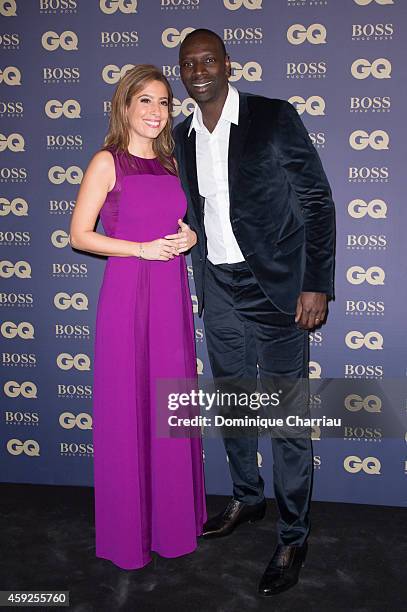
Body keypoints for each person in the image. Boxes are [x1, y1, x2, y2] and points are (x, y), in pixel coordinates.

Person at [174, 29, 335, 595]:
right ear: (182, 72)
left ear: (226, 64)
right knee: (236, 402)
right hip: (218, 286)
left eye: (207, 60)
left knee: (287, 415)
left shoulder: (272, 116)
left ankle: (293, 534)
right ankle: (247, 498)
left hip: (278, 288)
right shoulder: (182, 135)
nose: (198, 70)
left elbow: (316, 200)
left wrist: (315, 282)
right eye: (188, 63)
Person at [69, 64, 206, 570]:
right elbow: (80, 234)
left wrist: (190, 238)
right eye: (145, 101)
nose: (155, 111)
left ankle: (172, 526)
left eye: (164, 102)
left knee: (170, 407)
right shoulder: (108, 161)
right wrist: (139, 250)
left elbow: (183, 223)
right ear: (124, 106)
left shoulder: (172, 164)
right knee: (130, 408)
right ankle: (130, 534)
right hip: (128, 295)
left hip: (171, 294)